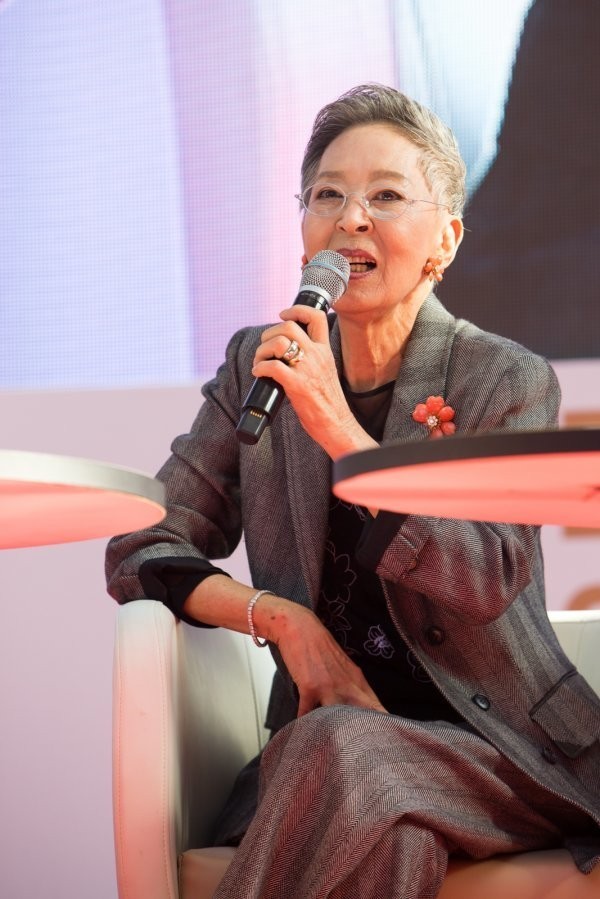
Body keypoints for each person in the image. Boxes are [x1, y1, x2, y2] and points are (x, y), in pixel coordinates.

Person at [105, 84, 600, 898]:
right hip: (338, 755)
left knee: (343, 749)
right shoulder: (258, 364)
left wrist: (341, 432)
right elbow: (142, 544)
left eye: (387, 196)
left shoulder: (503, 378)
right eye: (327, 195)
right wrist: (282, 620)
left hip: (505, 748)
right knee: (380, 814)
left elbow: (488, 578)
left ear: (446, 240)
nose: (351, 219)